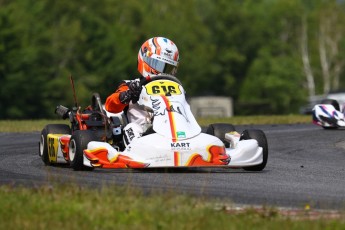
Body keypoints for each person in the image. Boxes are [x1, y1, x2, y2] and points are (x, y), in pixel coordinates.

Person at [105, 37, 180, 146]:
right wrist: (127, 94)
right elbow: (110, 105)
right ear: (145, 60)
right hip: (142, 133)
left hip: (170, 130)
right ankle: (139, 152)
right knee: (132, 128)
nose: (162, 72)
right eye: (158, 65)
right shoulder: (131, 85)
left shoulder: (175, 87)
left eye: (168, 68)